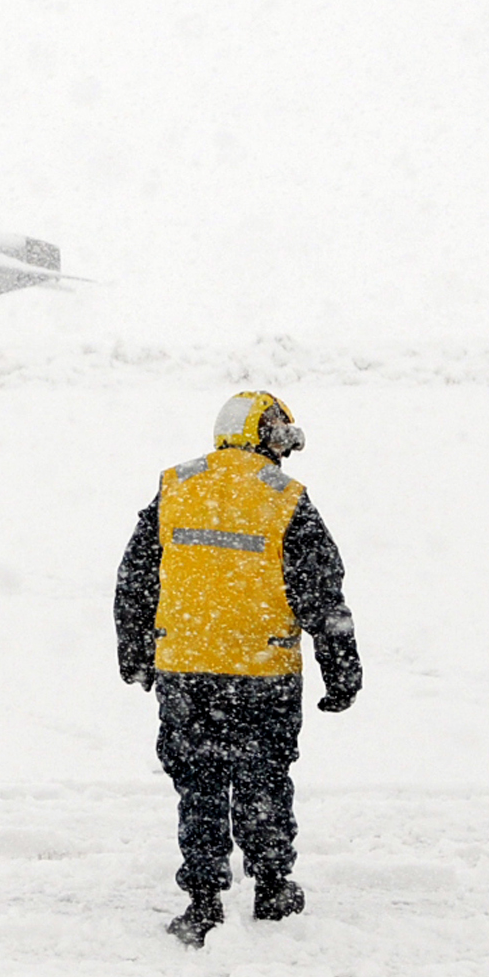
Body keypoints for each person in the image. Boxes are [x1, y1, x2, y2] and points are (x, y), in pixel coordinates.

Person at [113, 391, 362, 947]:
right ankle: (272, 889)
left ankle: (203, 901)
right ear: (266, 435)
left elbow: (135, 580)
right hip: (264, 671)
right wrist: (341, 668)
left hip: (186, 669)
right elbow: (322, 593)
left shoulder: (175, 487)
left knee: (199, 786)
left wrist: (135, 653)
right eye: (282, 438)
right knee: (264, 780)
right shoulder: (286, 498)